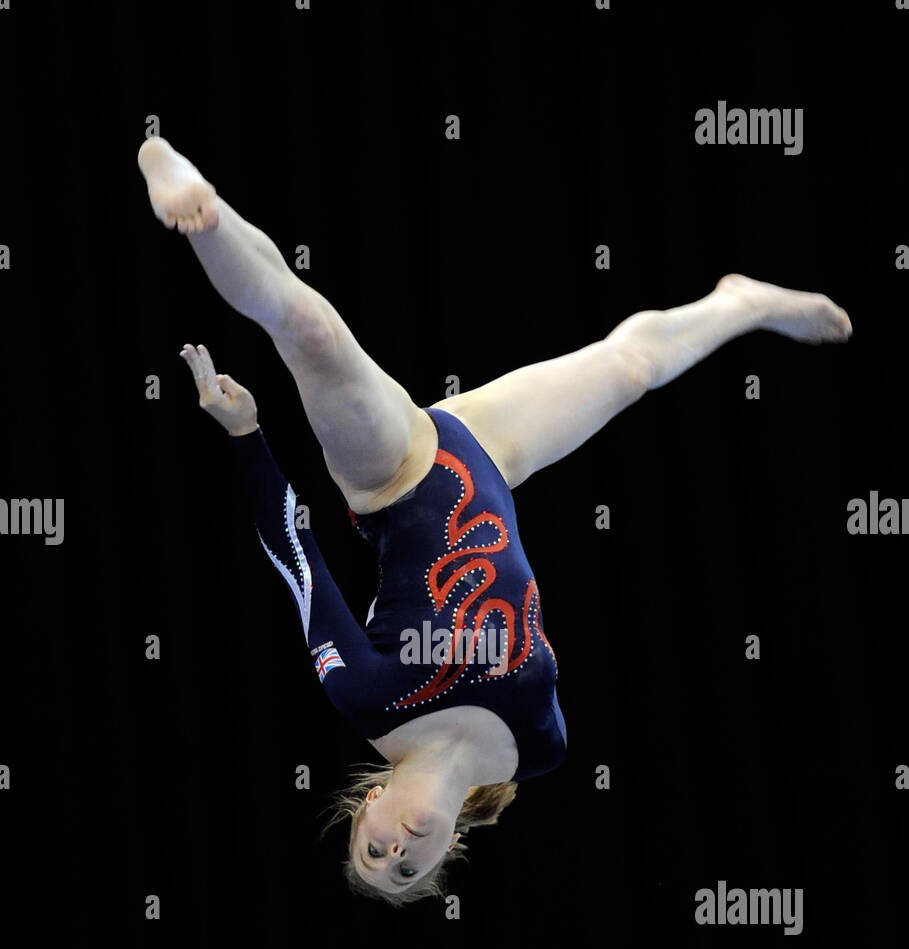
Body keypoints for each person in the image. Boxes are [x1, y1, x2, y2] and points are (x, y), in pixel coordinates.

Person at [138, 136, 851, 903]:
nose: (395, 851)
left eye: (371, 851)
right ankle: (738, 302)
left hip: (397, 475)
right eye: (407, 869)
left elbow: (297, 561)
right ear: (449, 851)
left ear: (368, 803)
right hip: (488, 457)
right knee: (633, 368)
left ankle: (196, 209)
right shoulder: (540, 749)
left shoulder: (368, 699)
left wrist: (246, 436)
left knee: (312, 335)